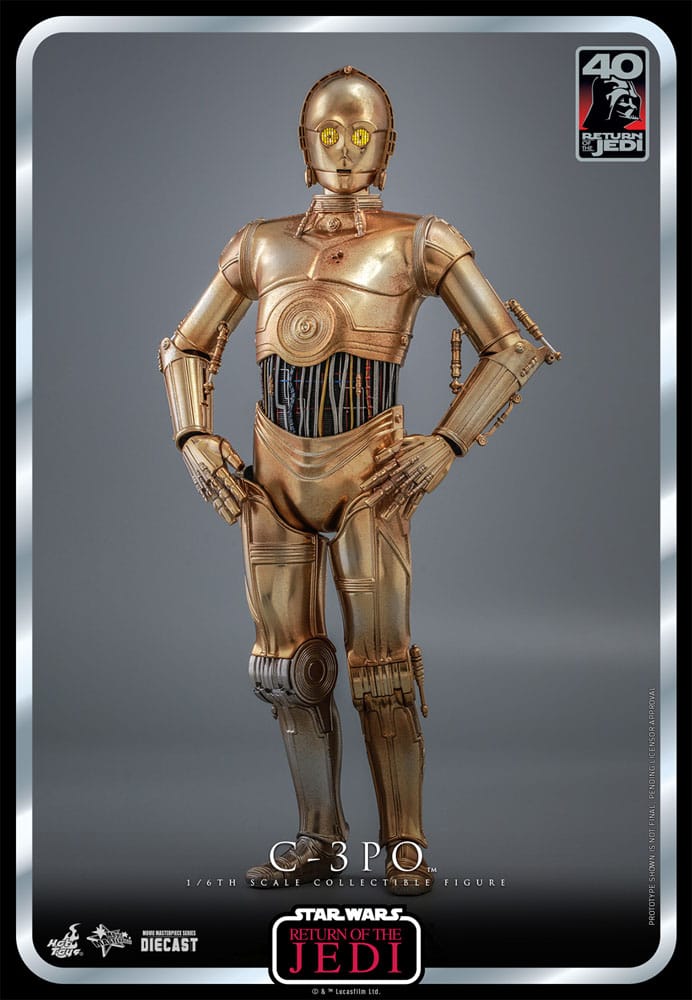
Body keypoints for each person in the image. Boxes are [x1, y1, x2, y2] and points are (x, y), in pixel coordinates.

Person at [159, 66, 558, 896]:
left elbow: (511, 346)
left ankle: (404, 841)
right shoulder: (258, 243)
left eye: (362, 134)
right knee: (287, 670)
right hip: (271, 480)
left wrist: (446, 443)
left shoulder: (422, 240)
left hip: (372, 476)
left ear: (388, 146)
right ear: (305, 144)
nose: (346, 150)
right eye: (332, 134)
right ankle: (318, 837)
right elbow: (186, 344)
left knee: (382, 671)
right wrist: (193, 436)